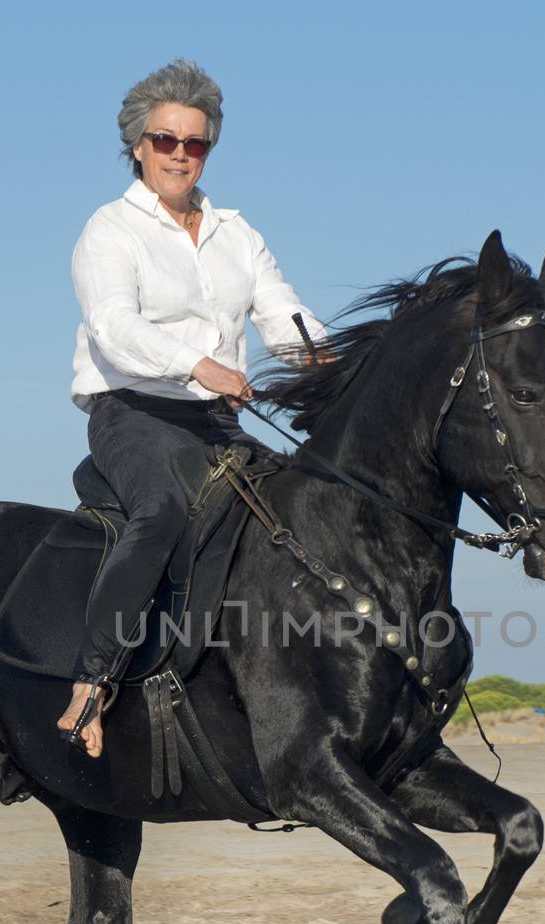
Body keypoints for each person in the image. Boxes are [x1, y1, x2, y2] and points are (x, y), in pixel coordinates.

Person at [57, 58, 325, 759]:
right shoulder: (110, 230)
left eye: (195, 143)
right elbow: (115, 326)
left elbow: (282, 312)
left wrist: (327, 361)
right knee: (165, 513)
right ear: (138, 145)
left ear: (210, 149)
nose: (180, 154)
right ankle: (92, 683)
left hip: (218, 422)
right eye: (165, 140)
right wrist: (201, 364)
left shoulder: (237, 233)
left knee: (307, 504)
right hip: (135, 412)